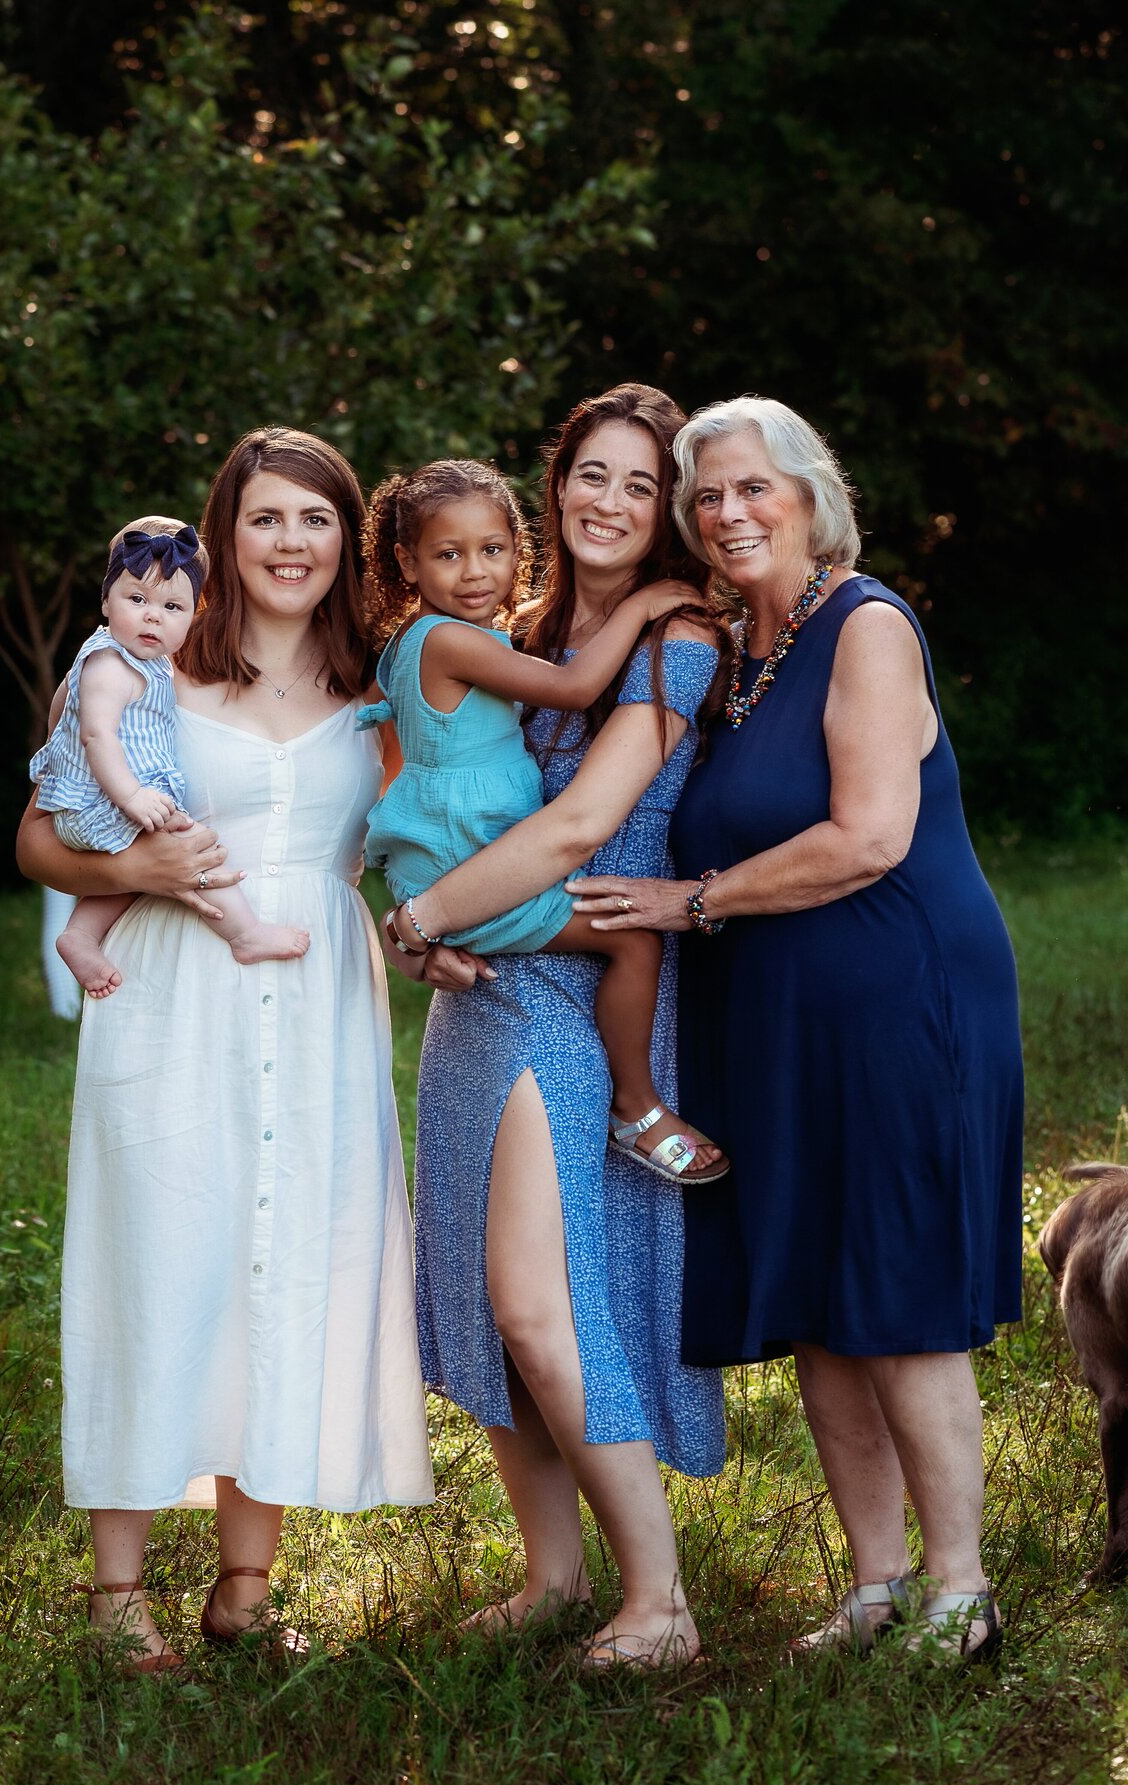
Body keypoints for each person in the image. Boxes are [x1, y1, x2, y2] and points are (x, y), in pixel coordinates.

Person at [569, 395, 1023, 1664]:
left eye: (750, 488)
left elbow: (870, 835)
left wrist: (689, 901)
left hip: (895, 998)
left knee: (898, 1287)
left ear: (812, 494)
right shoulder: (737, 651)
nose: (726, 514)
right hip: (770, 1009)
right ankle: (876, 1584)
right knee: (817, 1294)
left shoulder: (865, 626)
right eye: (704, 498)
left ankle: (961, 1589)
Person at [16, 426, 434, 1672]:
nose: (289, 542)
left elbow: (424, 833)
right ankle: (116, 1593)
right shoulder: (146, 665)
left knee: (287, 1263)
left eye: (314, 519)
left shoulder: (381, 689)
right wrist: (135, 865)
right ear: (223, 533)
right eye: (264, 518)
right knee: (162, 1257)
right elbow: (40, 841)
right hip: (173, 989)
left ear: (342, 538)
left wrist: (438, 925)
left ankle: (247, 1584)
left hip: (316, 1002)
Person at [383, 385, 728, 1670]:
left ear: (669, 512)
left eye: (641, 485)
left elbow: (580, 827)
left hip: (580, 984)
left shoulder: (671, 642)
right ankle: (552, 1573)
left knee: (544, 1302)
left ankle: (662, 1602)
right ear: (556, 482)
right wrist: (439, 923)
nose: (610, 502)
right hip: (489, 985)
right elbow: (437, 784)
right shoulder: (506, 627)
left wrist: (417, 917)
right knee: (482, 1295)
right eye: (593, 472)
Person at [361, 457, 723, 1183]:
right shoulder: (446, 639)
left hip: (444, 853)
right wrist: (642, 605)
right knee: (636, 946)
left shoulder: (426, 643)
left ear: (518, 553)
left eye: (492, 551)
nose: (473, 573)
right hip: (466, 860)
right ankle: (638, 1107)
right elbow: (575, 684)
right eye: (448, 554)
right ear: (408, 562)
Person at [30, 516, 310, 999]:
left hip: (106, 803)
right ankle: (246, 934)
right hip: (107, 801)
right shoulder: (111, 665)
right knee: (191, 843)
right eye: (136, 599)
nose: (152, 615)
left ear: (193, 615)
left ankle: (80, 935)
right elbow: (95, 735)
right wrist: (132, 795)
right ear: (105, 601)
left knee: (140, 869)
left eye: (172, 606)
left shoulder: (139, 662)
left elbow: (62, 714)